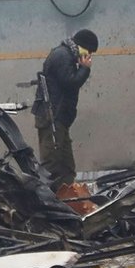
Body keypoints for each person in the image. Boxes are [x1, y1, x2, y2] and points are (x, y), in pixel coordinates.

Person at [31, 29, 98, 191]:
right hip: (52, 117)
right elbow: (70, 82)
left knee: (66, 165)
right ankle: (51, 200)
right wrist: (85, 69)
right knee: (53, 164)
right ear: (82, 46)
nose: (89, 55)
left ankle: (68, 198)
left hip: (58, 117)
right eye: (88, 51)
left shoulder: (66, 55)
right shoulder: (62, 56)